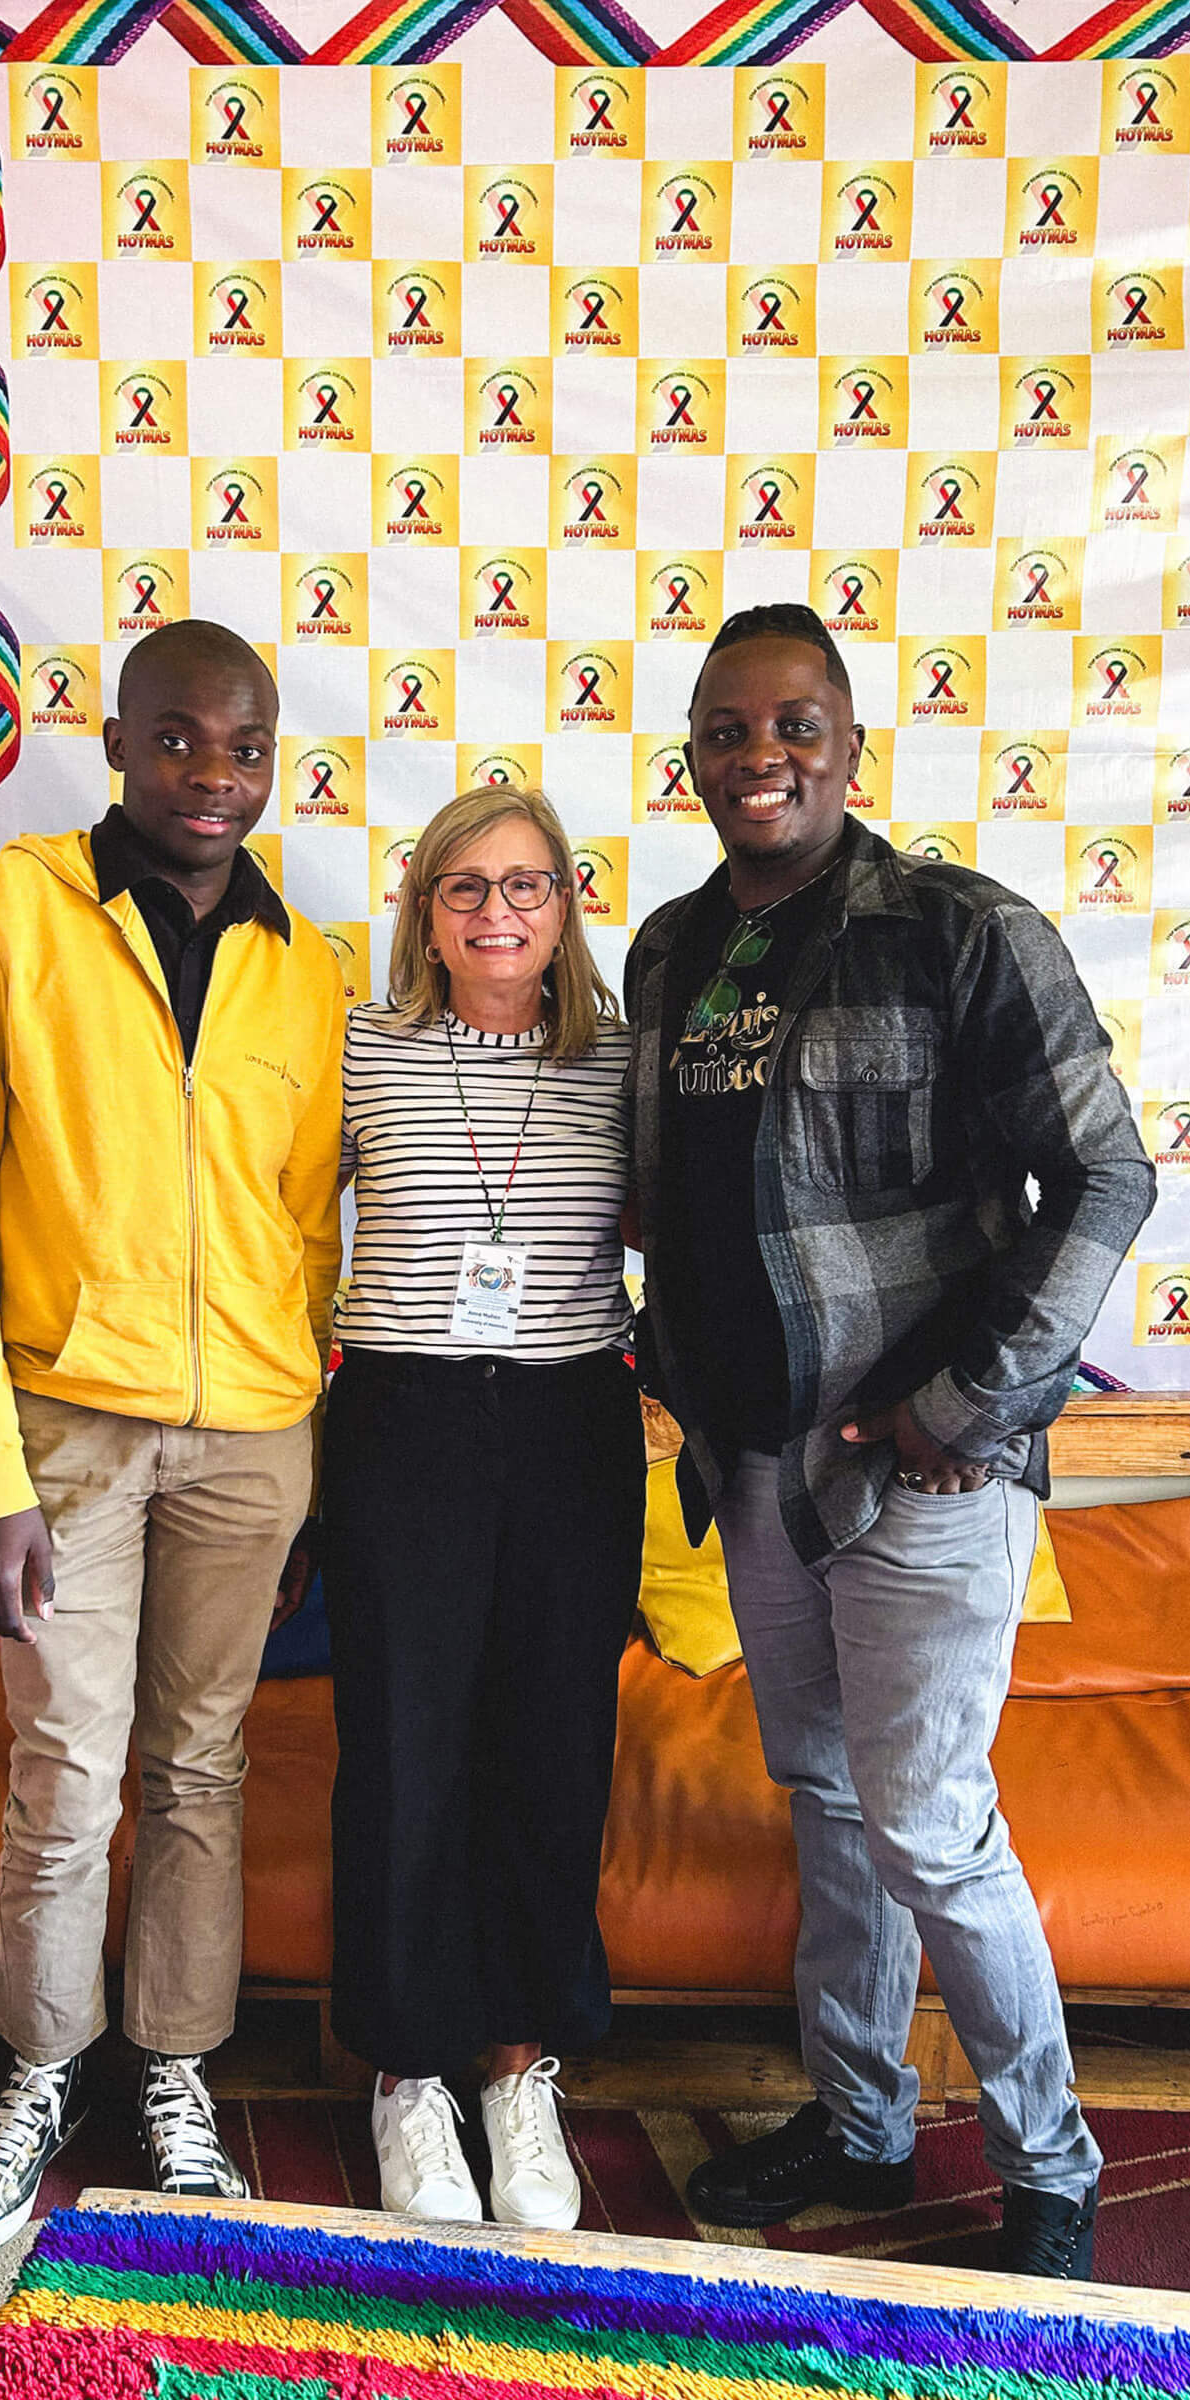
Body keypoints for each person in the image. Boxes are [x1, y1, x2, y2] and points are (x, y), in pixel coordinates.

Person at [623, 603, 1155, 2278]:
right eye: (724, 728)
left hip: (922, 1468)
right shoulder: (670, 951)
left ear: (851, 748)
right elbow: (674, 1205)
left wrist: (964, 1407)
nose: (757, 755)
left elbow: (1106, 1177)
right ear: (692, 756)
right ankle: (858, 2126)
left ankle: (1049, 2167)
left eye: (791, 724)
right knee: (830, 1807)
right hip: (758, 1463)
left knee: (925, 1819)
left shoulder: (956, 930)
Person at [0, 619, 344, 2259]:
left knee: (202, 1765)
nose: (212, 778)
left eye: (243, 748)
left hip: (251, 1438)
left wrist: (299, 1416)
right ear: (117, 738)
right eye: (178, 741)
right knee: (68, 1775)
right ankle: (38, 2071)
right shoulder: (9, 911)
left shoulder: (315, 959)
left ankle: (171, 2067)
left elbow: (306, 1222)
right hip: (64, 1434)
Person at [326, 784, 646, 2231]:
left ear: (569, 904)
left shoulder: (622, 1062)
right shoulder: (360, 1050)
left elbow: (688, 1227)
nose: (497, 913)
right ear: (424, 908)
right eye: (465, 886)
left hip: (573, 1423)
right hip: (404, 1421)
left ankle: (520, 2064)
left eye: (527, 884)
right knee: (403, 1748)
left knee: (552, 1747)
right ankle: (405, 2074)